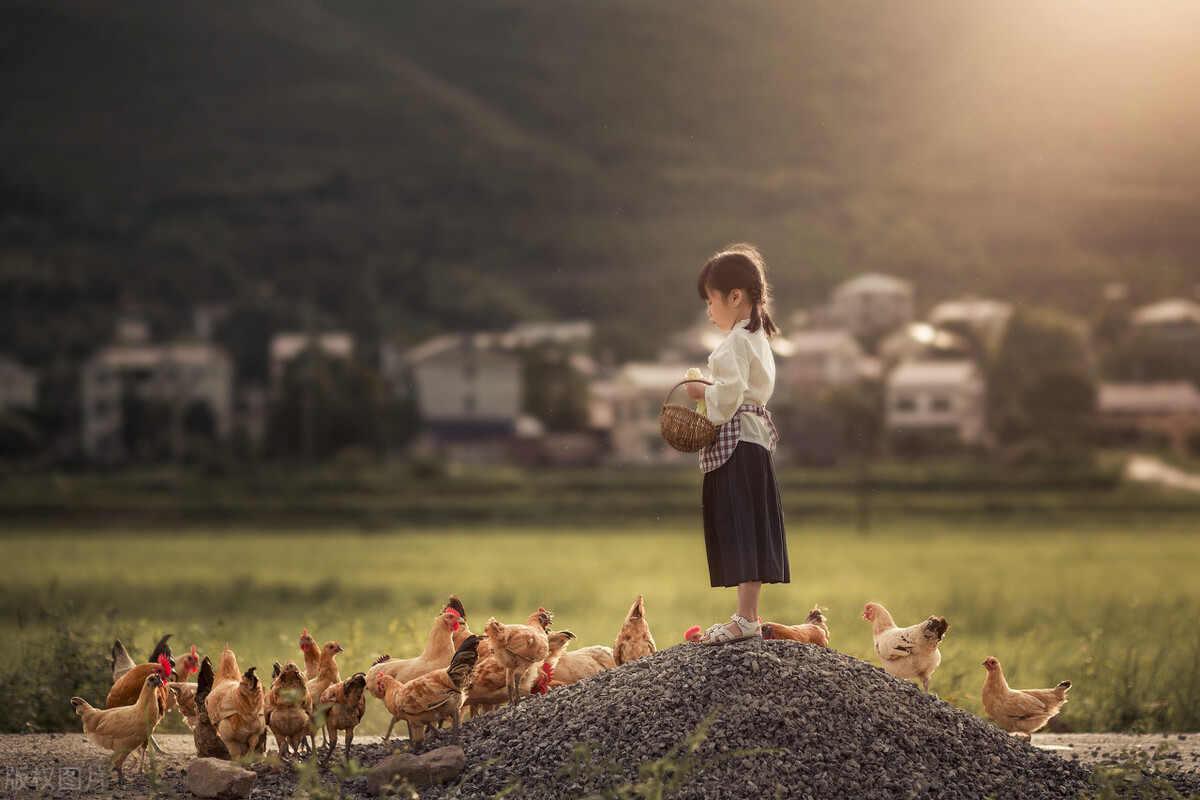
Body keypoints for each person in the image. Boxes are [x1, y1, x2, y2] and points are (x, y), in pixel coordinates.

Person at [686, 244, 790, 645]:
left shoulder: (732, 343)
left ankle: (745, 619)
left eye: (710, 301)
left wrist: (700, 390)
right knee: (752, 525)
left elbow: (727, 398)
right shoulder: (758, 337)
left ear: (734, 297)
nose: (709, 311)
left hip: (737, 442)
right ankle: (748, 615)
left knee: (740, 524)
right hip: (755, 441)